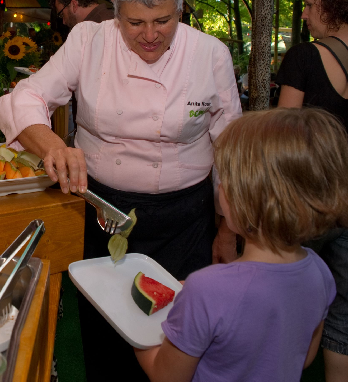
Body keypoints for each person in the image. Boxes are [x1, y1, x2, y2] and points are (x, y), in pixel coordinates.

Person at [0, 0, 242, 379]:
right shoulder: (90, 40)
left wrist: (228, 228)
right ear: (115, 13)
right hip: (104, 210)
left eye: (163, 21)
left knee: (181, 338)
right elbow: (24, 97)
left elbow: (233, 148)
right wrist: (53, 145)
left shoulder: (210, 54)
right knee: (107, 339)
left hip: (187, 219)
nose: (150, 34)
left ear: (180, 8)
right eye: (135, 23)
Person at [135, 108, 346, 382]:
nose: (219, 187)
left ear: (243, 199)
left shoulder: (206, 289)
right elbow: (303, 358)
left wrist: (137, 331)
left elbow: (166, 376)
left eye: (224, 179)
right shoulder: (320, 273)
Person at [276, 0, 348, 382]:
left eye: (309, 4)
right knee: (343, 312)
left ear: (332, 5)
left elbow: (284, 134)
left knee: (293, 299)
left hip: (309, 199)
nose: (304, 13)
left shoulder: (305, 56)